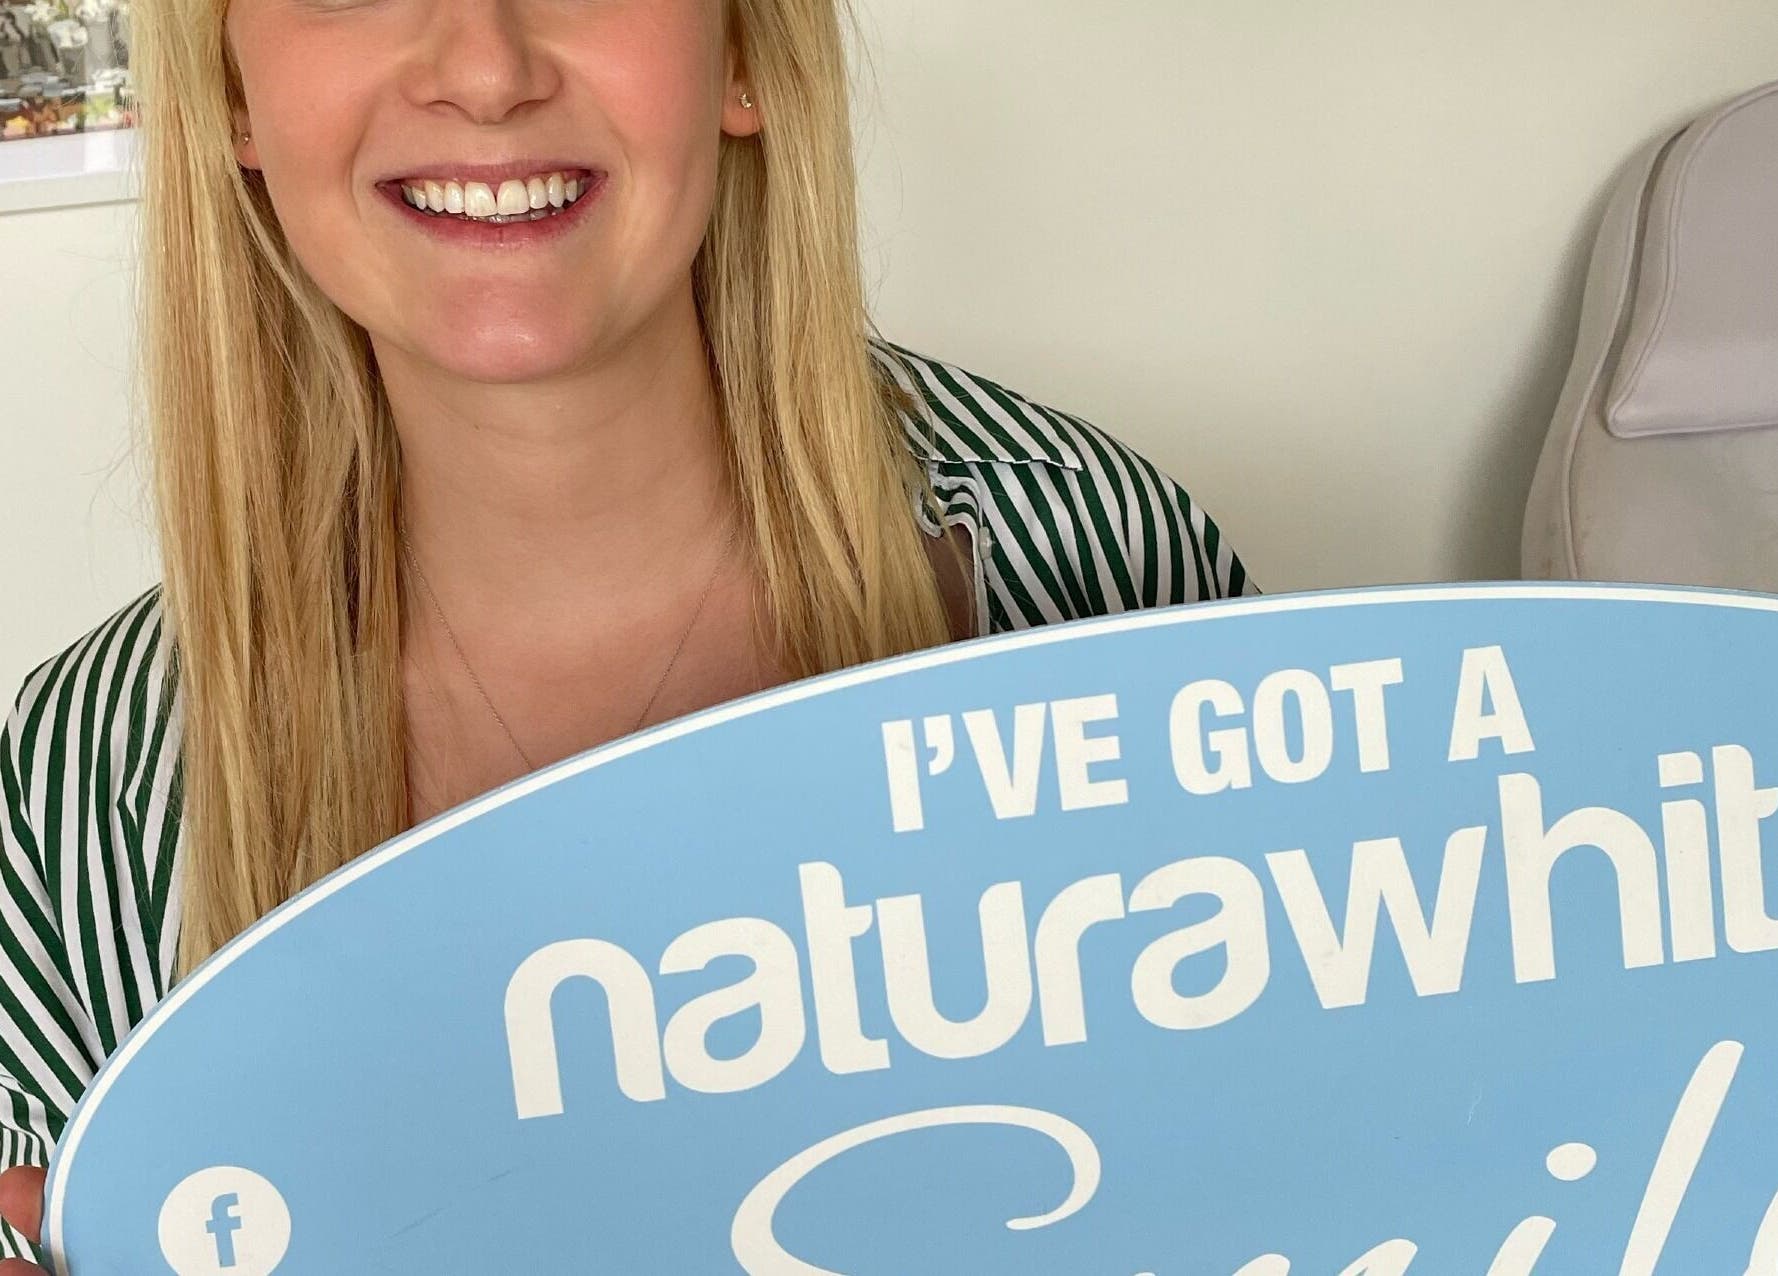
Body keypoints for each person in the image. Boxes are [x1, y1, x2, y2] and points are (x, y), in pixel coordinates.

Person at [0, 0, 1254, 1265]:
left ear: (743, 54)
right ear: (232, 97)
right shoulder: (71, 795)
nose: (485, 70)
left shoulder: (1100, 566)